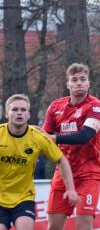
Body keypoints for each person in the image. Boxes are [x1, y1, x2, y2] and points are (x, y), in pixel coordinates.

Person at [43, 63, 100, 230]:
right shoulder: (55, 106)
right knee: (53, 227)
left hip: (88, 174)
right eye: (74, 80)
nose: (79, 83)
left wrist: (54, 138)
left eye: (83, 79)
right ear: (68, 84)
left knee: (83, 226)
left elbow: (84, 136)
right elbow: (44, 138)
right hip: (63, 173)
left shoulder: (96, 106)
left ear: (89, 83)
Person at [1, 94, 78, 230]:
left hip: (24, 198)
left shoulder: (38, 137)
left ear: (28, 115)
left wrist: (71, 189)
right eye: (15, 110)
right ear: (7, 114)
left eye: (23, 110)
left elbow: (61, 160)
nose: (19, 113)